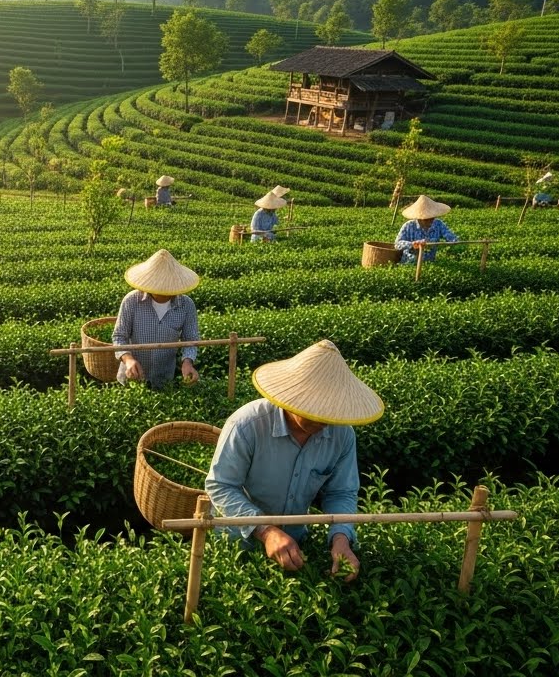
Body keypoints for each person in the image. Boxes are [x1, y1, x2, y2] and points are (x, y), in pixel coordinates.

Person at [204, 339, 384, 582]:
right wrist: (266, 531)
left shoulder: (342, 435)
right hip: (236, 545)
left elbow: (341, 492)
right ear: (292, 396)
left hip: (295, 545)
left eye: (330, 414)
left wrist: (341, 538)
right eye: (313, 411)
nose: (322, 422)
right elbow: (221, 486)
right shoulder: (247, 425)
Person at [112, 249, 201, 389]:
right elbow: (119, 336)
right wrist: (128, 359)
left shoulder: (186, 305)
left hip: (164, 378)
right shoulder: (131, 301)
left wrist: (187, 362)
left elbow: (191, 340)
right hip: (131, 378)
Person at [394, 194, 459, 264]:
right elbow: (397, 244)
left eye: (432, 217)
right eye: (426, 219)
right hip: (409, 263)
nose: (430, 220)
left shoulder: (438, 224)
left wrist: (454, 241)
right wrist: (412, 244)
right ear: (419, 217)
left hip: (430, 263)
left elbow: (451, 237)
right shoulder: (408, 226)